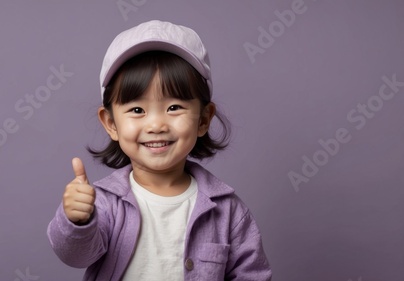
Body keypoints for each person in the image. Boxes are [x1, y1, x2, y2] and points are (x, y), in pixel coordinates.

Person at [47, 20, 272, 281]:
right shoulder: (103, 203)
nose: (156, 125)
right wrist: (77, 221)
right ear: (111, 124)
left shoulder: (228, 211)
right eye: (137, 110)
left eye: (174, 107)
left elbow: (252, 275)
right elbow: (75, 256)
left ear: (203, 119)